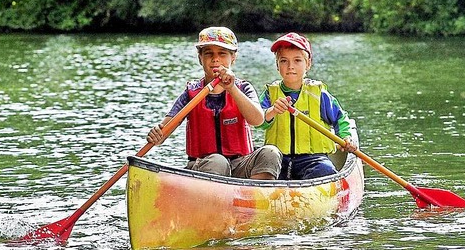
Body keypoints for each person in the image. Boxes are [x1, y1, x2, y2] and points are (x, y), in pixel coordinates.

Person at [146, 26, 282, 179]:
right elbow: (164, 132)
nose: (215, 59)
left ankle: (255, 197)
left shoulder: (243, 88)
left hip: (240, 164)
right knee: (218, 161)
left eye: (222, 54)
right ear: (200, 58)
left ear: (233, 57)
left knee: (271, 152)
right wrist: (157, 134)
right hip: (204, 166)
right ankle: (214, 199)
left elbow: (257, 120)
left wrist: (232, 89)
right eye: (208, 53)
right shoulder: (190, 94)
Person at [258, 32, 356, 180]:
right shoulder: (270, 94)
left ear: (308, 64)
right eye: (284, 61)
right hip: (279, 159)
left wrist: (346, 136)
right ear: (277, 65)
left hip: (312, 159)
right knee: (262, 169)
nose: (290, 66)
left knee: (325, 170)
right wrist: (272, 111)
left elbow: (340, 118)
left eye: (297, 60)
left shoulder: (319, 94)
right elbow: (258, 122)